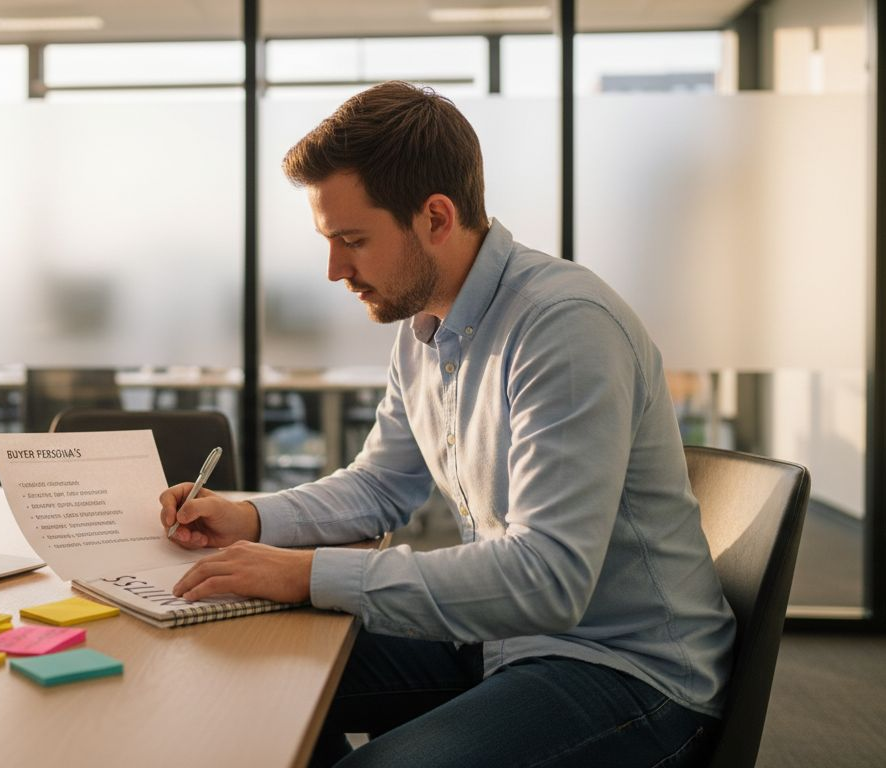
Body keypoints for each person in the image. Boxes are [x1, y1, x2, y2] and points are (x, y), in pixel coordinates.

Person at [160, 81, 735, 767]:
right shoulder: (424, 326)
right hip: (498, 639)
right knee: (242, 666)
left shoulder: (565, 328)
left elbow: (548, 578)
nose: (334, 270)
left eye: (353, 240)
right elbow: (379, 488)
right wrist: (248, 518)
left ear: (436, 216)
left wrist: (306, 573)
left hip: (625, 669)